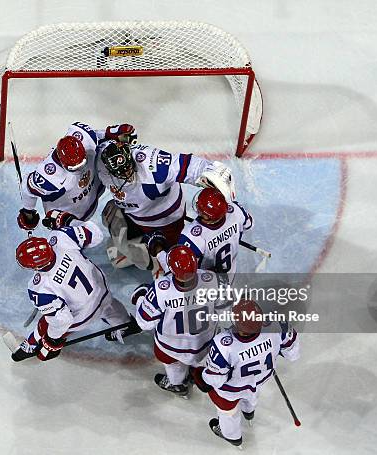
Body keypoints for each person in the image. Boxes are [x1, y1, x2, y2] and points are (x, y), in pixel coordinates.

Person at [11, 211, 140, 362]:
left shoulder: (38, 288)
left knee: (46, 321)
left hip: (83, 316)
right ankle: (125, 326)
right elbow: (96, 234)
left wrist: (52, 342)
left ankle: (31, 345)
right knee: (108, 306)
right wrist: (69, 221)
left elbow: (63, 320)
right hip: (102, 290)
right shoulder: (60, 238)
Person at [97, 139, 236, 271]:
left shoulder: (153, 167)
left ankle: (157, 265)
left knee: (169, 256)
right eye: (122, 173)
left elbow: (187, 165)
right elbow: (101, 139)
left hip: (166, 221)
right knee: (109, 215)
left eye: (129, 168)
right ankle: (138, 249)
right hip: (133, 212)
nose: (128, 174)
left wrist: (214, 172)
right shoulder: (101, 161)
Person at [191, 299, 300, 448]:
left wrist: (200, 375)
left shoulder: (223, 344)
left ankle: (232, 436)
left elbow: (215, 380)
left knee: (227, 412)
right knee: (251, 393)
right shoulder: (277, 324)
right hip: (260, 378)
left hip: (231, 391)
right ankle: (249, 413)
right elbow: (292, 353)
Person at [132, 245, 221, 396]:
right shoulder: (211, 278)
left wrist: (141, 297)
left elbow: (144, 323)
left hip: (171, 346)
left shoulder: (160, 290)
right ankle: (194, 371)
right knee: (199, 358)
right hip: (204, 344)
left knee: (173, 366)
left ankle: (178, 386)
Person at [16, 122, 137, 231]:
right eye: (74, 168)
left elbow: (98, 135)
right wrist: (28, 212)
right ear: (62, 163)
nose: (80, 168)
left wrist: (112, 132)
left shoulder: (83, 136)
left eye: (82, 161)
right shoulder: (49, 177)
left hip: (93, 189)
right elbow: (27, 187)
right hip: (71, 216)